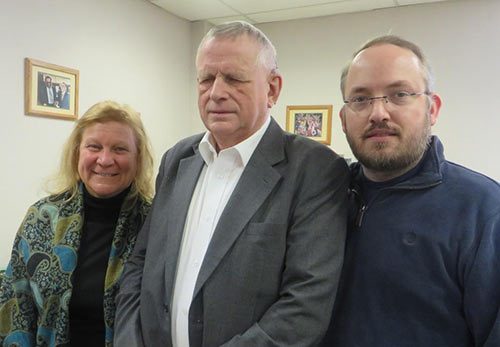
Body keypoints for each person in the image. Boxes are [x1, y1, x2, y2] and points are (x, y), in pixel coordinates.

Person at [114, 21, 349, 347]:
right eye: (206, 79)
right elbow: (140, 266)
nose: (216, 92)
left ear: (272, 89)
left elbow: (305, 306)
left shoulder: (314, 169)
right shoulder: (178, 159)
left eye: (234, 79)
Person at [321, 35, 500, 346]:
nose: (378, 113)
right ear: (344, 120)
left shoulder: (483, 210)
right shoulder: (322, 199)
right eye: (361, 99)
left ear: (432, 109)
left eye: (399, 94)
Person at [0, 100, 155, 346]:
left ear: (138, 158)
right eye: (94, 146)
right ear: (77, 153)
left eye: (119, 149)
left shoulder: (155, 223)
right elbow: (16, 307)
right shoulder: (42, 217)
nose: (105, 160)